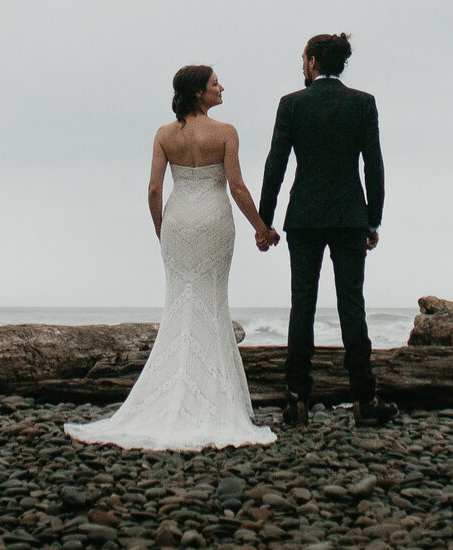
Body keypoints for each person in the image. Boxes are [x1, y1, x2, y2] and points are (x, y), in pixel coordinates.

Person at [63, 65, 279, 450]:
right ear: (199, 93)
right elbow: (237, 186)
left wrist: (161, 228)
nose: (221, 87)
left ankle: (171, 392)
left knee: (180, 302)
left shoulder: (165, 135)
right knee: (212, 300)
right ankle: (213, 397)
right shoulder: (226, 133)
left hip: (178, 221)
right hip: (214, 220)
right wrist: (260, 227)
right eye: (215, 83)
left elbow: (152, 190)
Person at [256, 31, 391, 428]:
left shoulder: (291, 105)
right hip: (350, 215)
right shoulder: (363, 104)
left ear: (314, 61)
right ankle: (364, 400)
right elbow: (374, 166)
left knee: (303, 305)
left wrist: (265, 221)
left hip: (304, 217)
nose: (302, 64)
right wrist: (373, 217)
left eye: (303, 58)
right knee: (352, 304)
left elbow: (275, 165)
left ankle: (297, 399)